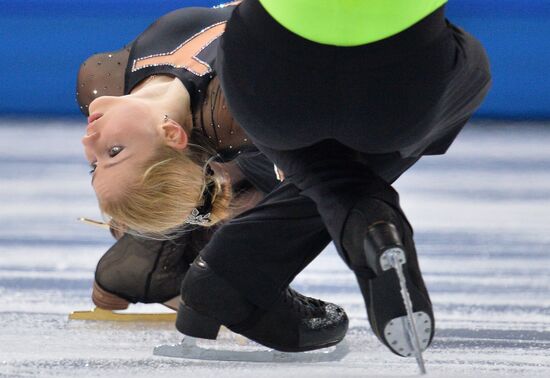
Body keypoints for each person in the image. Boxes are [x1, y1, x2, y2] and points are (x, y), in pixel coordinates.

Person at [174, 0, 492, 360]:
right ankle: (353, 224)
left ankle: (238, 271)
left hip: (269, 90)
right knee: (473, 66)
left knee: (240, 50)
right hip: (399, 98)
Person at [77, 2, 349, 352]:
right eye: (111, 154)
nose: (88, 143)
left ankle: (149, 263)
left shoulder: (100, 80)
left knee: (247, 162)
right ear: (171, 133)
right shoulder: (229, 114)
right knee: (284, 168)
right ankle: (184, 267)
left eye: (94, 164)